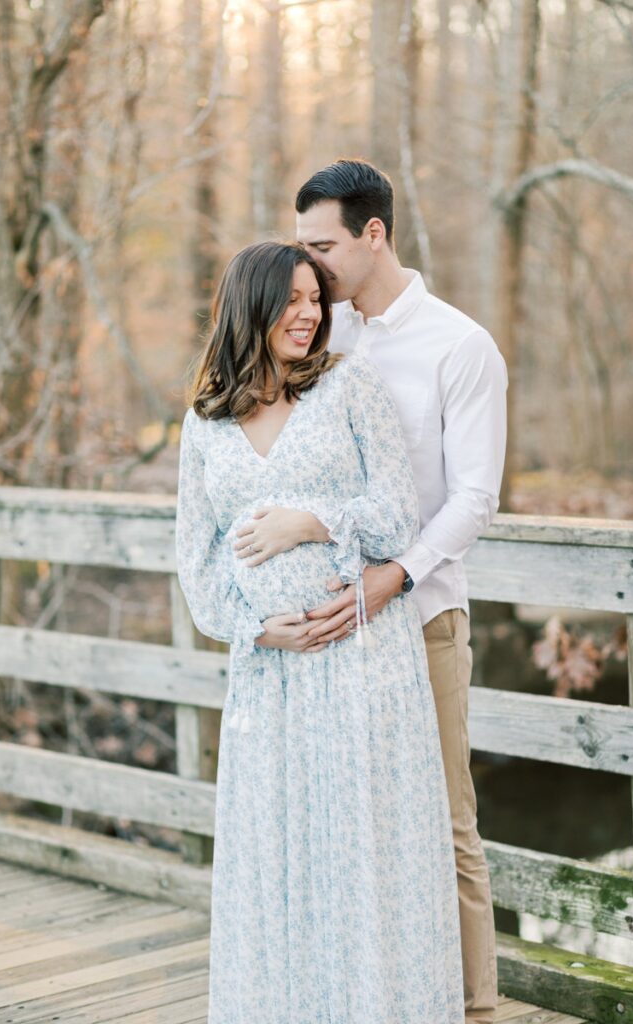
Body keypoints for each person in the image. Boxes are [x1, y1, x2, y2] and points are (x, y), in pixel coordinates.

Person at [175, 239, 465, 1024]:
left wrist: (311, 522)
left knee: (361, 852)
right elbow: (195, 561)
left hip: (361, 658)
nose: (309, 315)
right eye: (293, 301)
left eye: (316, 300)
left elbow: (399, 514)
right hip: (269, 675)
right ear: (250, 308)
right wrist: (255, 629)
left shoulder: (347, 387)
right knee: (279, 854)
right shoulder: (205, 419)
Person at [292, 159, 509, 1024]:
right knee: (349, 821)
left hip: (419, 615)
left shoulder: (459, 345)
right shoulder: (319, 334)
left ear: (372, 234)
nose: (308, 268)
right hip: (336, 623)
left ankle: (474, 1006)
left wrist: (394, 577)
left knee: (449, 825)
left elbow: (475, 497)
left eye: (322, 246)